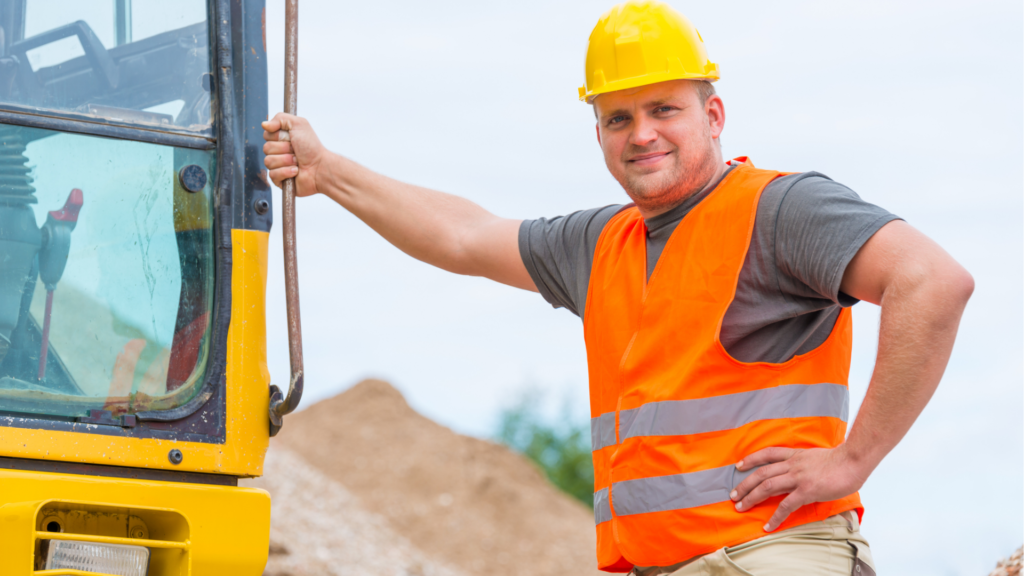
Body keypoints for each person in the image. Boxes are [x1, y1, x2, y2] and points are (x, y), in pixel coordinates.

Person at [261, 2, 973, 574]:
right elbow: (464, 237)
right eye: (618, 118)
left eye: (665, 109)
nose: (642, 134)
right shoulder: (603, 244)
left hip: (768, 554)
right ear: (598, 131)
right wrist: (328, 173)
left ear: (713, 115)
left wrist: (853, 460)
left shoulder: (780, 210)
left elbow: (933, 282)